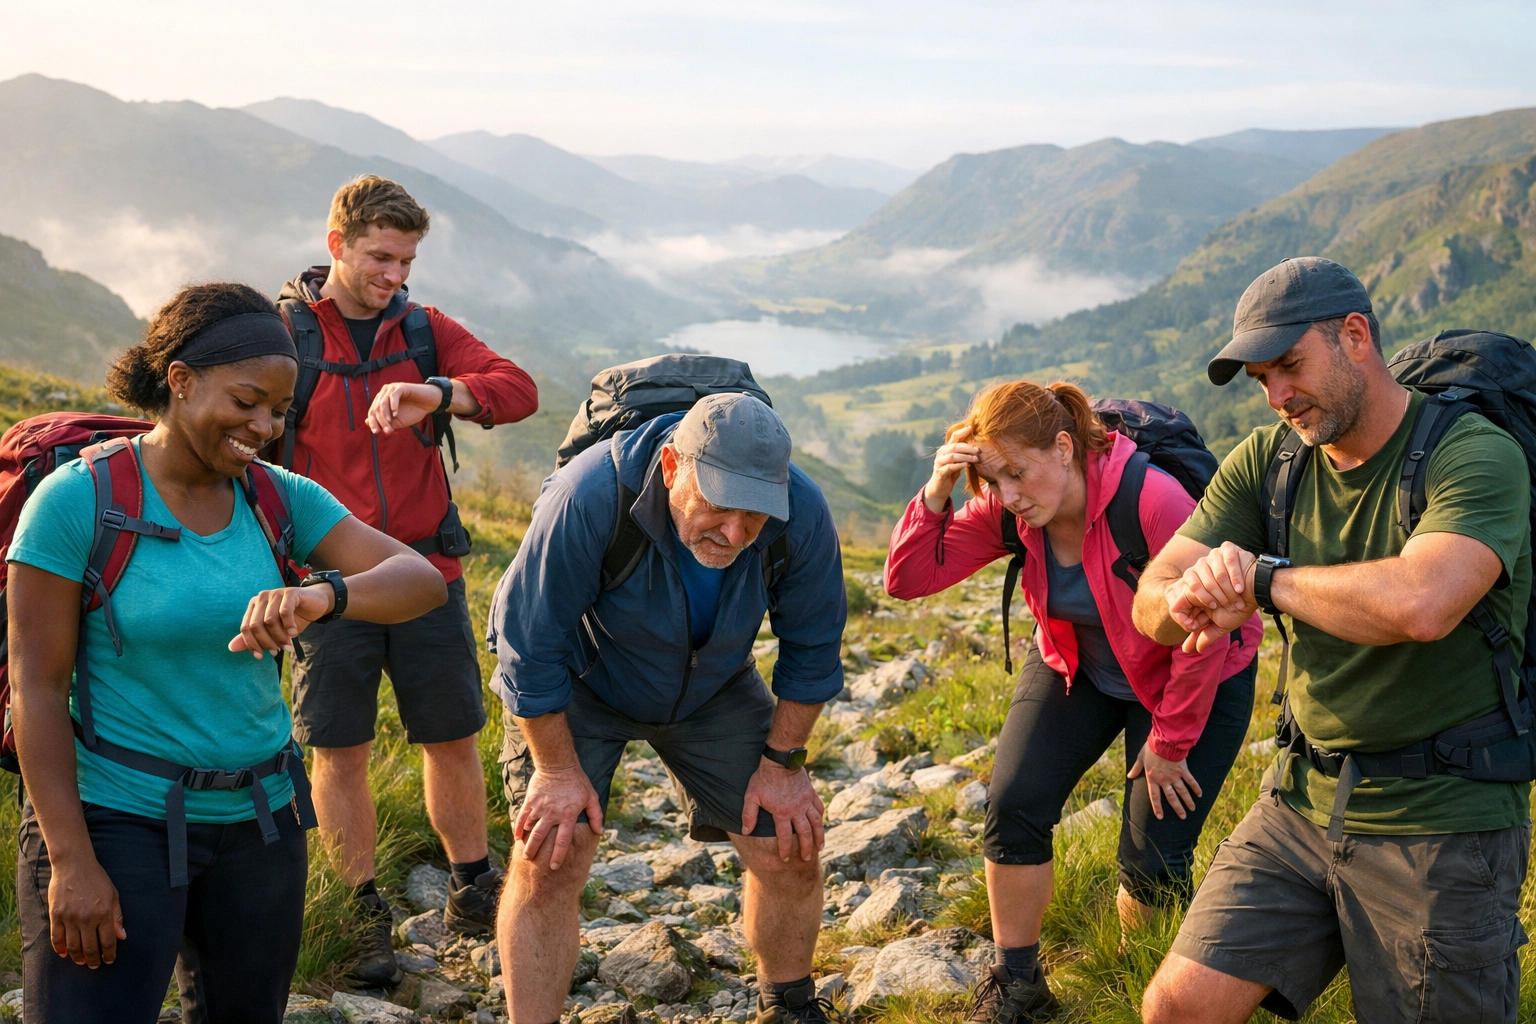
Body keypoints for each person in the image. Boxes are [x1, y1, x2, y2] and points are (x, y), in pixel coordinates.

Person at [9, 283, 447, 1024]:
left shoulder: (277, 497)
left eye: (279, 411)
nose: (264, 427)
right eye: (247, 401)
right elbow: (37, 689)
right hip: (116, 820)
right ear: (180, 381)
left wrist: (321, 596)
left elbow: (421, 579)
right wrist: (71, 862)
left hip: (261, 824)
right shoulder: (76, 501)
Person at [1132, 257, 1532, 1024]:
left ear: (1356, 337)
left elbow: (1423, 603)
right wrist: (1191, 594)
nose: (1278, 396)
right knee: (1177, 1007)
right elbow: (1153, 597)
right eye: (1261, 379)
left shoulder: (1474, 455)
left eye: (1290, 366)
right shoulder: (1267, 463)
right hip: (1300, 802)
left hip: (1441, 818)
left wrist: (1259, 581)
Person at [884, 379, 1260, 1022]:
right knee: (1014, 804)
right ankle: (1019, 987)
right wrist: (937, 493)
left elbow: (1205, 633)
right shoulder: (1010, 508)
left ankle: (1137, 982)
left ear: (1064, 448)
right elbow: (908, 578)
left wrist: (1168, 744)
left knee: (1151, 858)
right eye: (995, 480)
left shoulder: (1153, 499)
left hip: (1194, 670)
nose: (1008, 495)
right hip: (1077, 665)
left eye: (1018, 475)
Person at [488, 393, 847, 1024]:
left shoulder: (803, 512)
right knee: (550, 853)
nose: (734, 533)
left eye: (755, 514)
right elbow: (528, 642)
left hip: (713, 686)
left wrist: (783, 766)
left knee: (789, 843)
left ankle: (787, 1004)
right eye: (717, 505)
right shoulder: (589, 496)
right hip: (581, 682)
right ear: (673, 467)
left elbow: (812, 650)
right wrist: (555, 771)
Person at [276, 175, 539, 983]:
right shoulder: (284, 332)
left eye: (407, 260)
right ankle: (360, 917)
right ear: (337, 247)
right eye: (379, 257)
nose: (394, 274)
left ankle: (470, 884)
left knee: (451, 735)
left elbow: (517, 389)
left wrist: (440, 393)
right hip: (328, 579)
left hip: (429, 570)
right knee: (340, 748)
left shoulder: (423, 329)